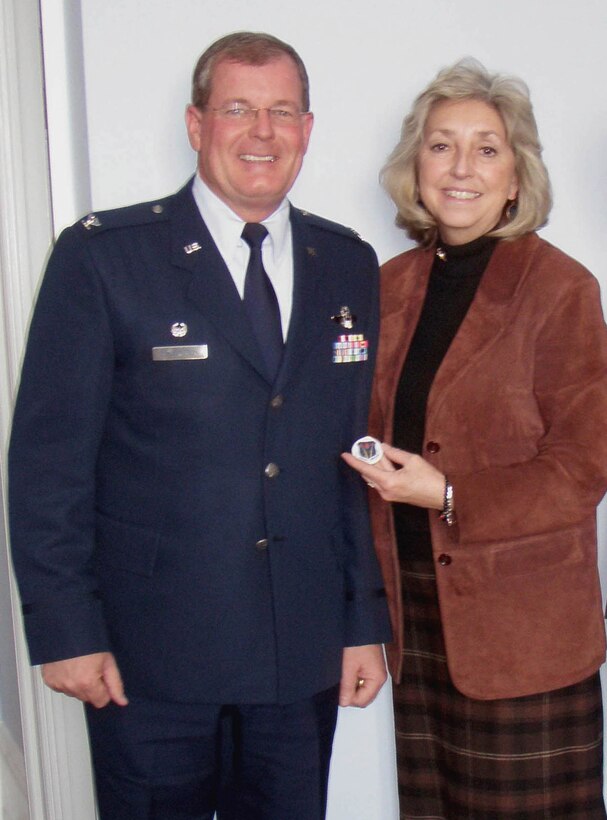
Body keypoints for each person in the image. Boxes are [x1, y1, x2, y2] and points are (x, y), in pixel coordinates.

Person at [9, 31, 391, 820]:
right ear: (195, 124)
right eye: (238, 109)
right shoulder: (105, 259)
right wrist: (64, 631)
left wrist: (362, 623)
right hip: (149, 662)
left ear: (307, 128)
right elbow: (49, 464)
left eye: (282, 111)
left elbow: (345, 461)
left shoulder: (346, 264)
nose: (262, 132)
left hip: (298, 653)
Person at [342, 57, 607, 818]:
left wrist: (450, 493)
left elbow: (583, 467)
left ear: (516, 176)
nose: (460, 167)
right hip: (417, 621)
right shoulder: (385, 287)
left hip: (522, 634)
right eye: (440, 145)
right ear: (414, 166)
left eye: (485, 148)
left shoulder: (560, 289)